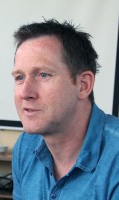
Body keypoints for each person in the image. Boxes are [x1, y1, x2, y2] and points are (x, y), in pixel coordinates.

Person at [11, 19, 119, 199]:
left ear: (83, 85)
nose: (25, 92)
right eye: (19, 77)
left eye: (43, 75)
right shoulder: (25, 146)